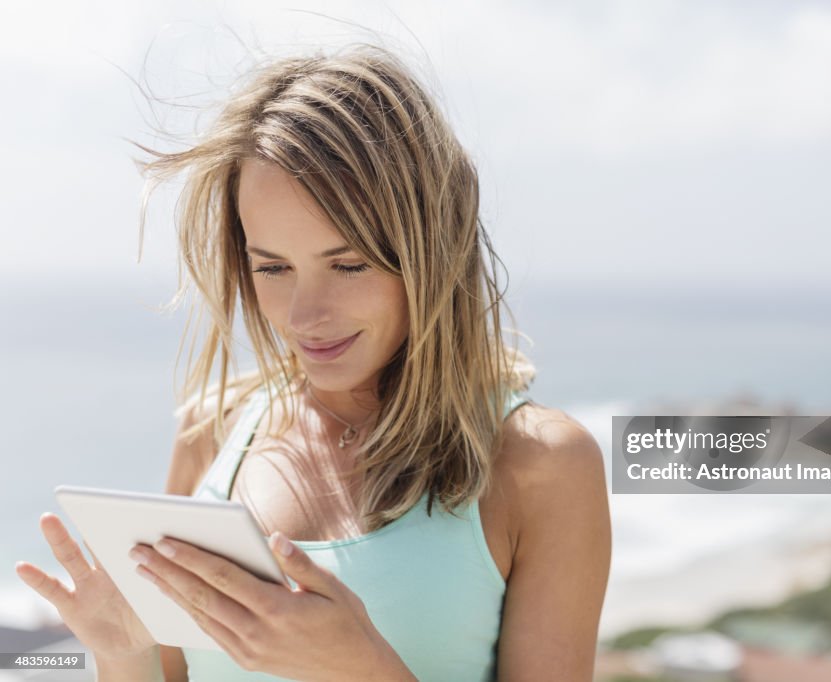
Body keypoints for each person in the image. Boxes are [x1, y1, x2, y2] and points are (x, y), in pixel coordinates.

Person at [14, 41, 611, 681]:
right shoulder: (213, 434)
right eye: (272, 268)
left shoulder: (540, 465)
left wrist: (361, 666)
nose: (304, 316)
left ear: (432, 249)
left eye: (348, 264)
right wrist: (122, 655)